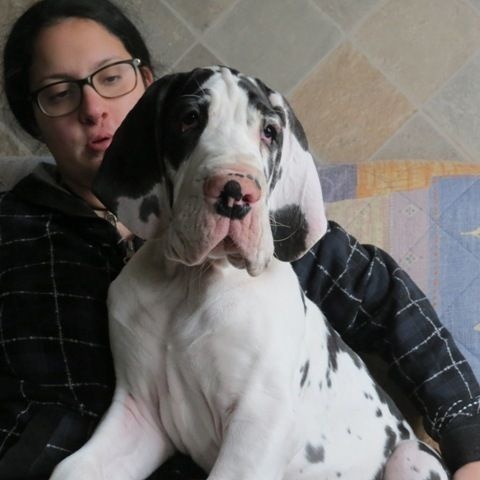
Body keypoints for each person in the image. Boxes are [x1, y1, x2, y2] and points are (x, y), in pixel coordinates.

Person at [0, 0, 479, 478]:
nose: (93, 109)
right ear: (30, 116)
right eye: (59, 92)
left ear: (146, 84)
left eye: (111, 77)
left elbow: (389, 301)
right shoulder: (21, 235)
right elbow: (142, 416)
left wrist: (471, 446)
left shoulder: (283, 251)